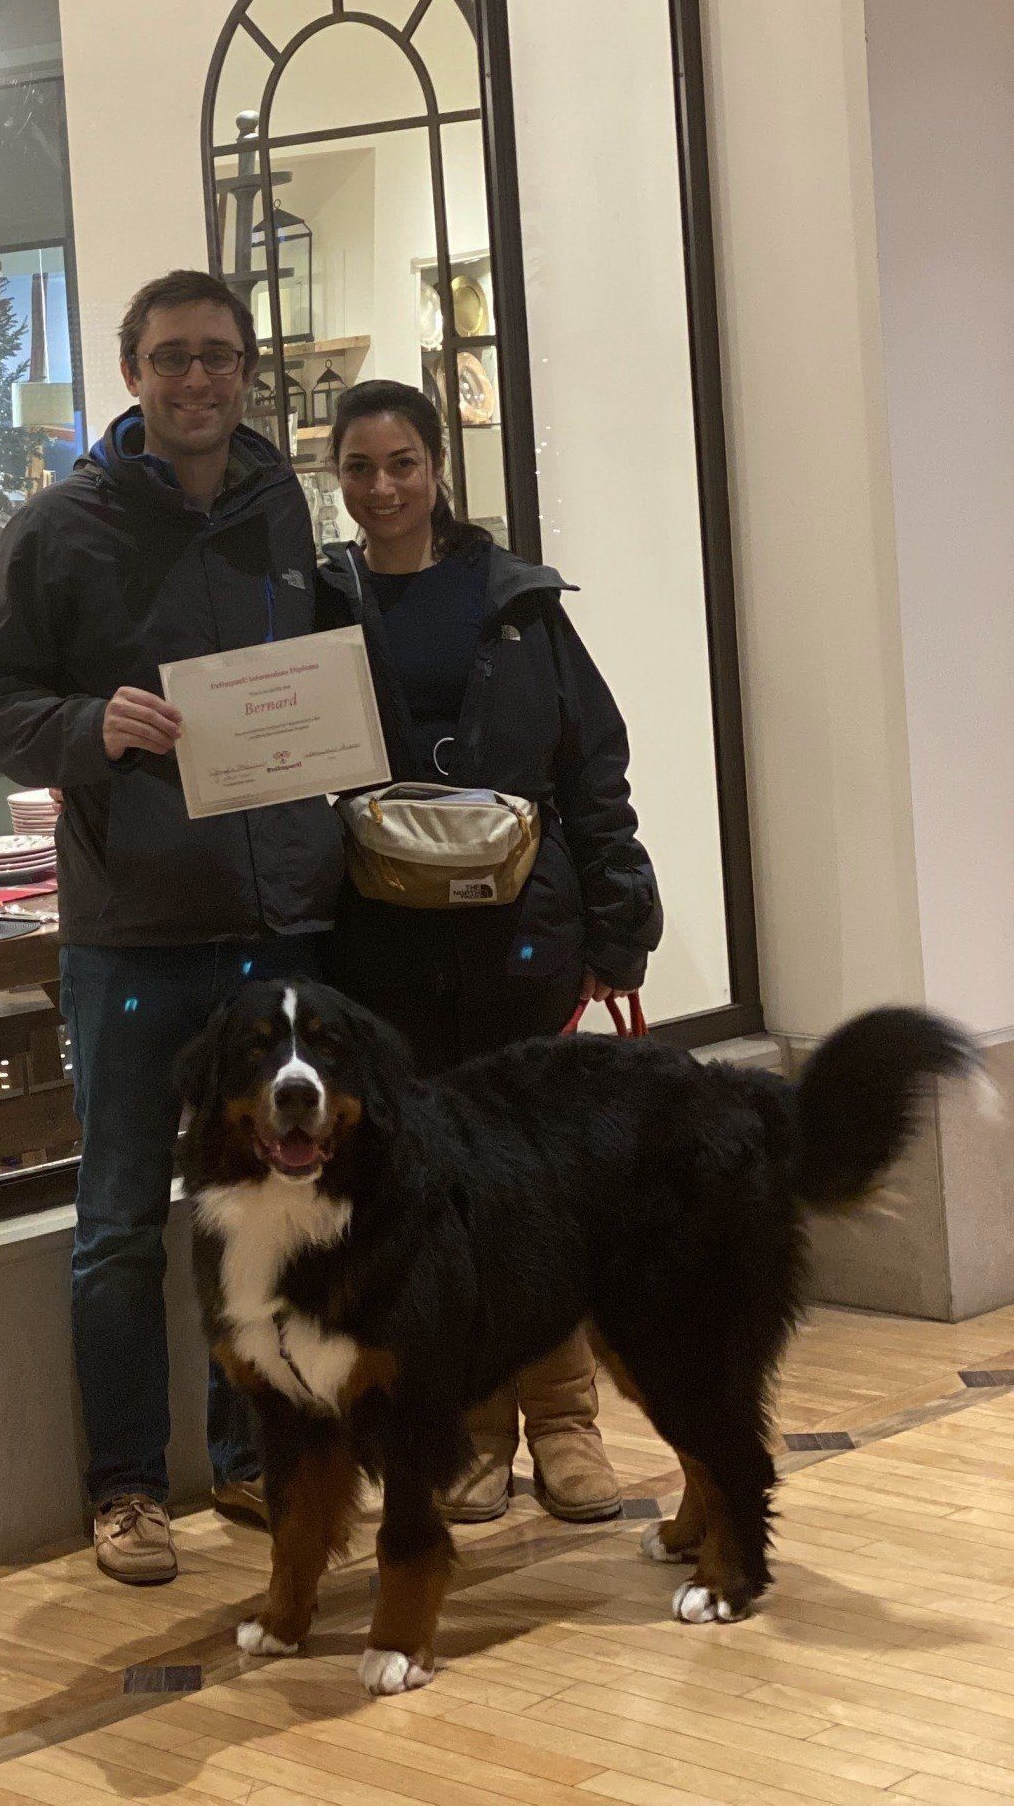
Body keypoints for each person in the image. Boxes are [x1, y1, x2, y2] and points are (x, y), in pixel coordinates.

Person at [0, 270, 342, 1586]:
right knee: (119, 1220)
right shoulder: (60, 527)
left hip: (269, 931)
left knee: (256, 1214)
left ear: (246, 370)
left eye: (220, 358)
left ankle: (246, 1456)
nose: (199, 380)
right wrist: (85, 730)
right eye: (173, 358)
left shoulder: (282, 508)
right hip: (128, 935)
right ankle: (124, 1489)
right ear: (132, 373)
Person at [317, 376, 661, 1526]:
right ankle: (465, 1432)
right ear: (337, 477)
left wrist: (622, 927)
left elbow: (592, 771)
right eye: (360, 467)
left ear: (436, 465)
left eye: (402, 462)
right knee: (423, 1203)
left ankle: (565, 1425)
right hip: (383, 951)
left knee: (544, 1188)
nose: (383, 488)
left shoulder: (516, 599)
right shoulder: (320, 604)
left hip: (523, 940)